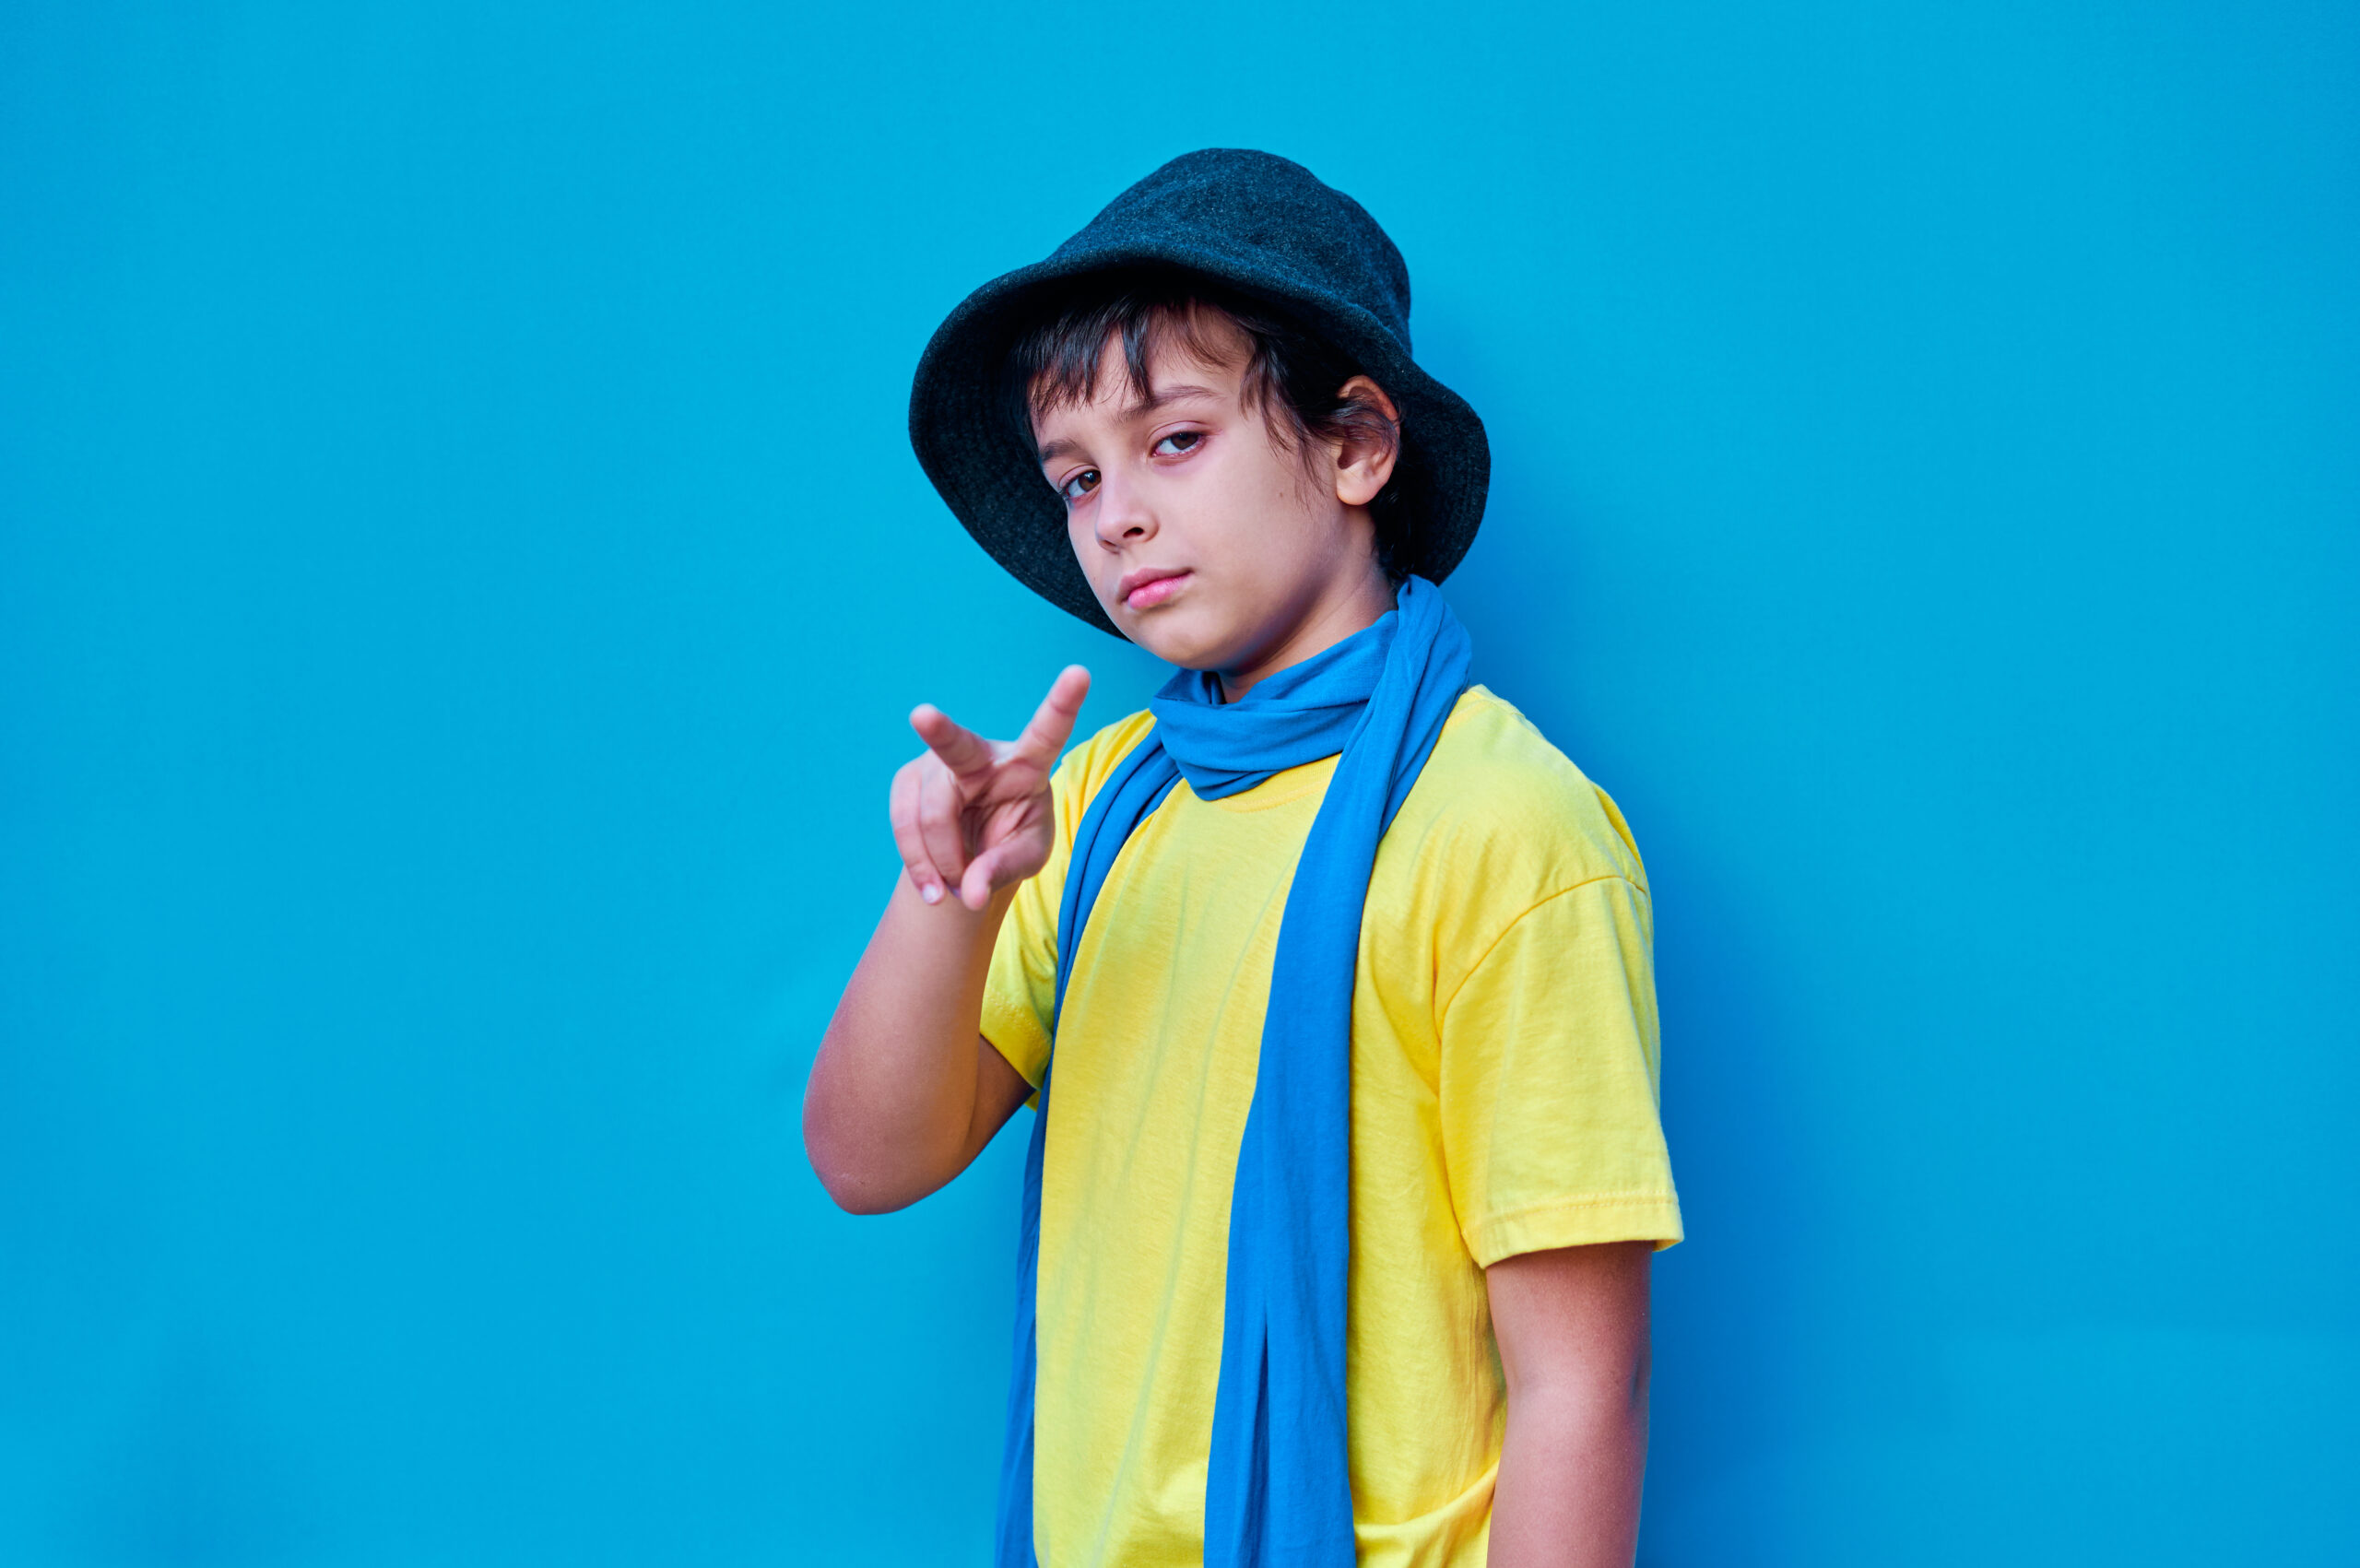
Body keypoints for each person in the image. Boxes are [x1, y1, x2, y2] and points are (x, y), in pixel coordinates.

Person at [803, 149, 1681, 1568]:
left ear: (1355, 447)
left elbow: (1584, 1379)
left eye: (1176, 441)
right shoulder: (1087, 812)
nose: (1116, 516)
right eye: (1076, 476)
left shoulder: (1501, 829)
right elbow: (868, 1157)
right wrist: (948, 903)